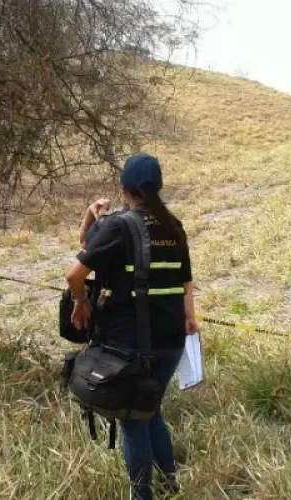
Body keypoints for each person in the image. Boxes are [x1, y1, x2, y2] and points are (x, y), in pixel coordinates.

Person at [65, 153, 198, 500]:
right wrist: (190, 319)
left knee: (133, 420)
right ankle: (170, 487)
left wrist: (81, 302)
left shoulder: (118, 225)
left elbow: (75, 272)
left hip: (131, 342)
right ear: (159, 186)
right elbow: (186, 283)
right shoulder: (174, 225)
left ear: (124, 187)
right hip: (171, 342)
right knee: (150, 412)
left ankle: (143, 496)